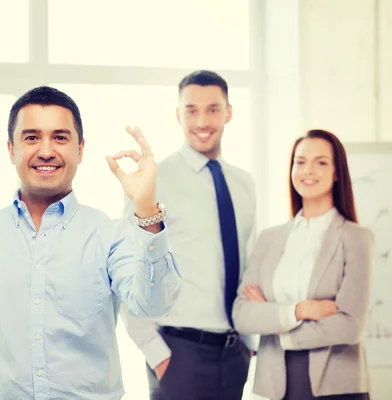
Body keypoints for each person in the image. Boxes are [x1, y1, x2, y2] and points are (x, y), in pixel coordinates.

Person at [0, 86, 182, 399]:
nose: (46, 151)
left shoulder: (109, 236)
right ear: (11, 149)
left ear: (80, 149)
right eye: (31, 137)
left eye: (60, 137)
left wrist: (147, 210)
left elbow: (154, 304)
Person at [121, 70, 256, 400]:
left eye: (212, 109)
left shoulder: (244, 183)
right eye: (192, 110)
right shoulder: (155, 179)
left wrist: (249, 343)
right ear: (178, 115)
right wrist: (158, 354)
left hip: (233, 353)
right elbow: (127, 266)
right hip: (178, 353)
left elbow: (247, 264)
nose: (202, 121)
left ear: (229, 112)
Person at [233, 129, 373, 400]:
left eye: (321, 162)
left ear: (336, 173)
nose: (308, 170)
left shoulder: (356, 238)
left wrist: (277, 326)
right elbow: (242, 314)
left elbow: (350, 326)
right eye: (300, 161)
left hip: (337, 384)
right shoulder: (269, 239)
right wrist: (299, 311)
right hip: (276, 384)